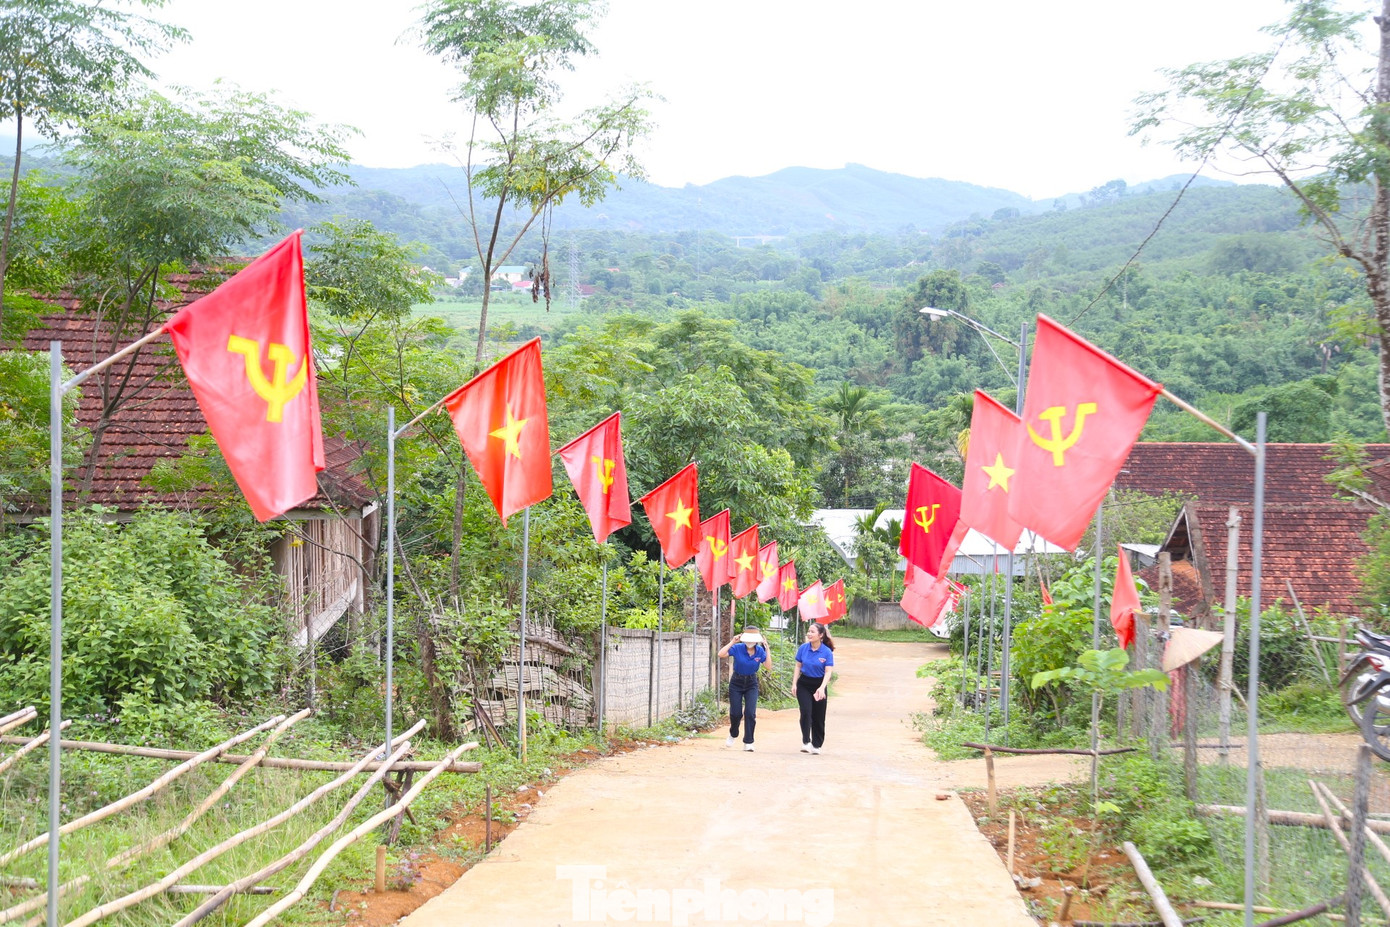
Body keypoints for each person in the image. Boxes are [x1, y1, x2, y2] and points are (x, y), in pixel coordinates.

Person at [718, 623, 771, 752]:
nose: (750, 642)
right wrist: (732, 641)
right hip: (736, 682)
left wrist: (767, 649)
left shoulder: (760, 651)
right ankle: (733, 733)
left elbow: (768, 666)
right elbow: (721, 654)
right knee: (736, 713)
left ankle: (748, 742)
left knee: (750, 713)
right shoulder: (738, 648)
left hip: (751, 683)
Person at [792, 622, 835, 754]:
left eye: (812, 632)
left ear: (820, 635)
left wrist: (822, 688)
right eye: (808, 631)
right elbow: (798, 666)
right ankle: (806, 741)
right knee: (806, 711)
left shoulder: (826, 652)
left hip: (819, 684)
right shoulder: (803, 648)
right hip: (804, 683)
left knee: (818, 716)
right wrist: (794, 684)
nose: (809, 634)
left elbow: (828, 672)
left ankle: (817, 744)